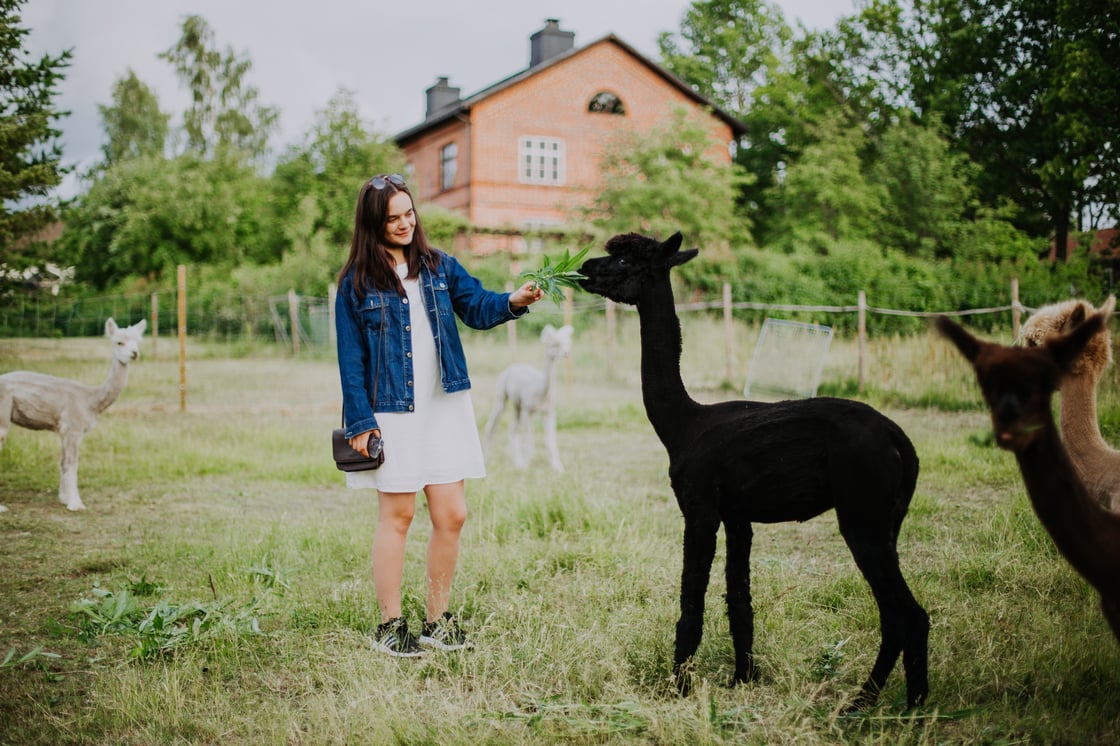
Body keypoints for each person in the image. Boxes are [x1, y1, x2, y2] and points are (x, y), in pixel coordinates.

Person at [335, 173, 543, 657]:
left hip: (445, 403)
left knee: (452, 514)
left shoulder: (438, 266)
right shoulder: (357, 282)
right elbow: (351, 361)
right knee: (400, 514)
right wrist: (361, 422)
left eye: (409, 214)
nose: (405, 224)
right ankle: (390, 625)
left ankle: (437, 621)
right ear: (373, 224)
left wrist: (513, 301)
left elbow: (476, 305)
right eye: (393, 219)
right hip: (392, 411)